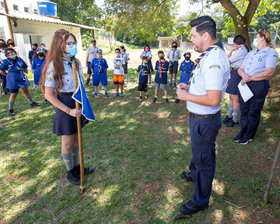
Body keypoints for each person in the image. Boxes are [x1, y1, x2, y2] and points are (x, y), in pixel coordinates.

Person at [176, 16, 230, 217]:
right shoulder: (210, 55)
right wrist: (190, 87)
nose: (192, 40)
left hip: (204, 120)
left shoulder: (214, 58)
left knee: (204, 159)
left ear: (205, 35)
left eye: (193, 35)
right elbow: (207, 86)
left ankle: (200, 201)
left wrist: (185, 95)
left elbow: (214, 99)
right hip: (200, 118)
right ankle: (195, 174)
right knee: (200, 154)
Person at [42, 29, 94, 185]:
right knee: (67, 142)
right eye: (68, 43)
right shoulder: (54, 65)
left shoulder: (76, 62)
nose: (72, 46)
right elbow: (48, 94)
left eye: (73, 43)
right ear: (60, 45)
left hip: (77, 101)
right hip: (65, 103)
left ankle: (78, 167)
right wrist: (69, 110)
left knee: (77, 139)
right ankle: (71, 171)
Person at [233, 29, 278, 145]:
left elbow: (269, 72)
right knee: (244, 110)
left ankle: (249, 135)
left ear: (262, 38)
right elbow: (241, 68)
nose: (255, 39)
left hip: (258, 85)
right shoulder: (251, 53)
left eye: (257, 36)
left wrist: (250, 78)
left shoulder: (271, 53)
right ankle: (242, 132)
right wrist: (244, 76)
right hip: (245, 84)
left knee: (253, 112)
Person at [0, 48, 40, 116]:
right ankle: (11, 109)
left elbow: (25, 67)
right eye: (8, 53)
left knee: (25, 91)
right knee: (13, 94)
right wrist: (8, 75)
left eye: (12, 52)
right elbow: (1, 71)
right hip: (12, 79)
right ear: (7, 55)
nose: (11, 54)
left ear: (14, 52)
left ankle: (32, 103)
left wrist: (24, 73)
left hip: (21, 77)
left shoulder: (19, 59)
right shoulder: (5, 61)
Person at [223, 35, 248, 127]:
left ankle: (235, 120)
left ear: (236, 42)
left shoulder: (241, 51)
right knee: (231, 97)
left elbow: (227, 60)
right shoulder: (241, 50)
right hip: (234, 73)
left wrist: (231, 50)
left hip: (237, 73)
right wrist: (233, 50)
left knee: (235, 98)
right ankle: (229, 116)